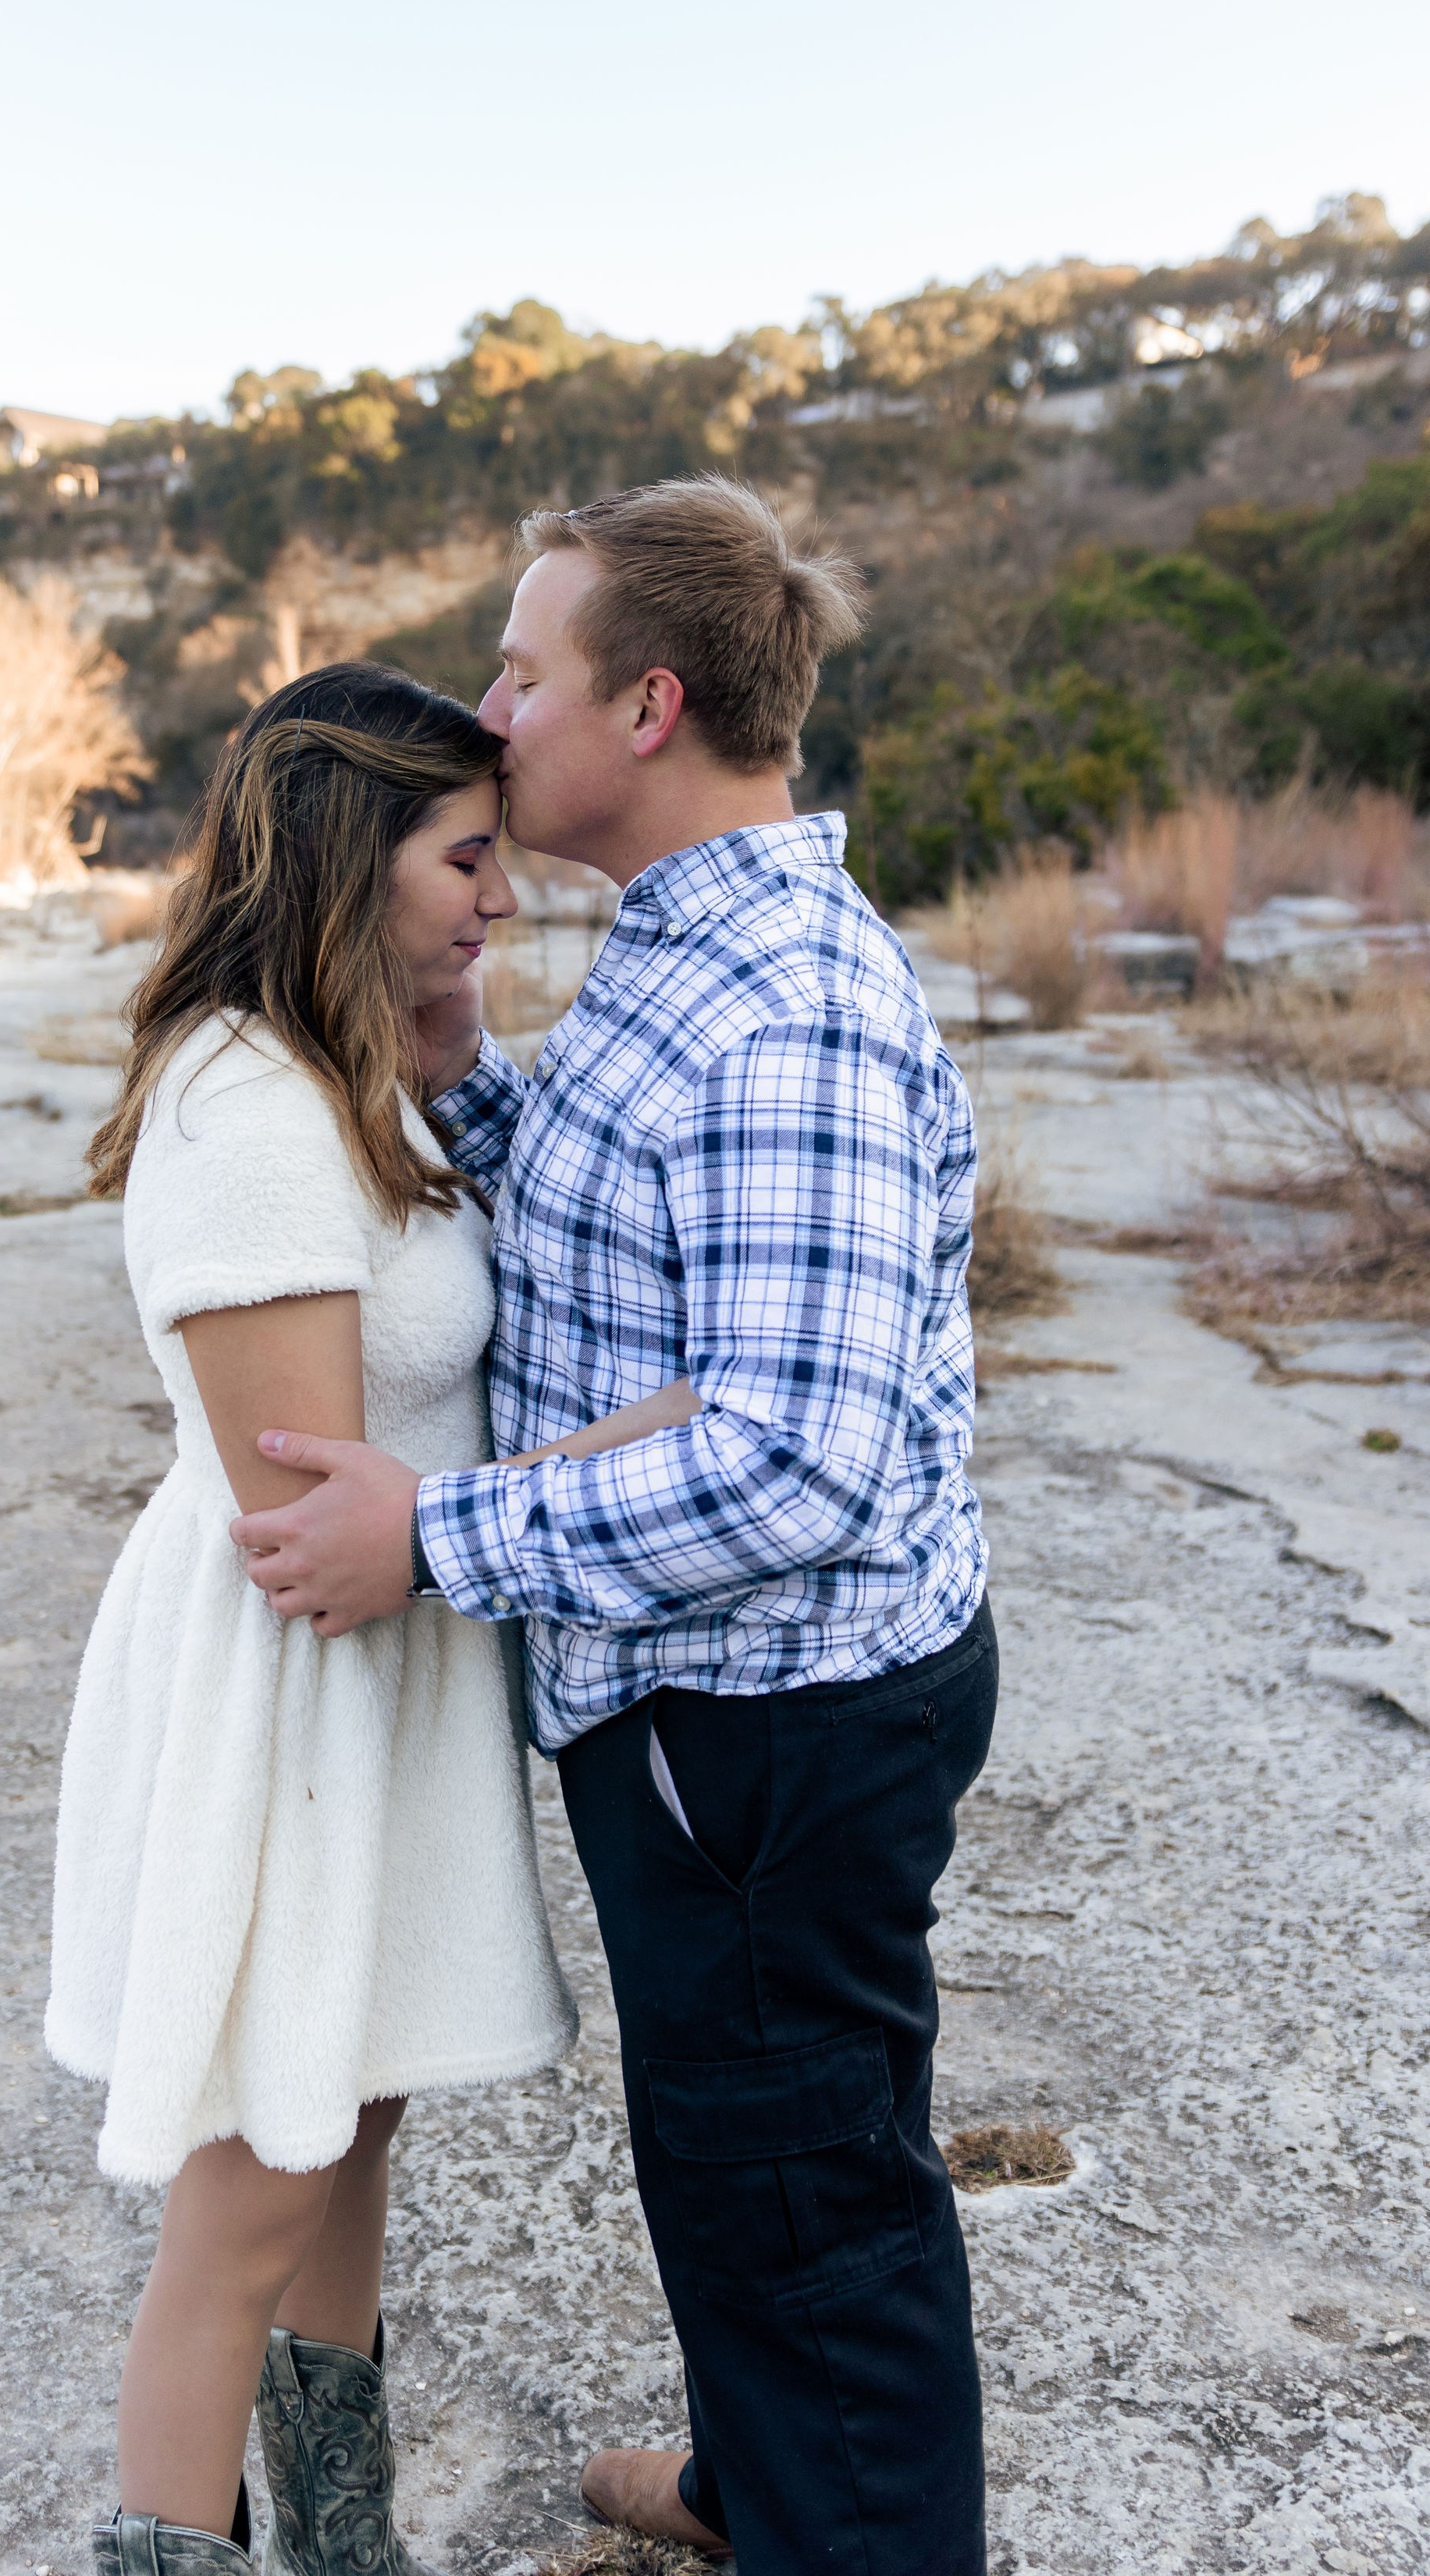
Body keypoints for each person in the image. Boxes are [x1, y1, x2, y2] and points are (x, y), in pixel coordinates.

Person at [230, 480, 998, 2576]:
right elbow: (626, 1232)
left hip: (774, 1712)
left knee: (808, 2186)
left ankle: (846, 2525)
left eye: (523, 670)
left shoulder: (787, 1016)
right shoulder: (684, 945)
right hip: (707, 1700)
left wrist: (442, 1535)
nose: (489, 711)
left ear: (647, 704)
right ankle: (772, 2476)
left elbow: (796, 1459)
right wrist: (472, 1077)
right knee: (743, 2153)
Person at [49, 665, 699, 2576]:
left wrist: (447, 1019)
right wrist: (678, 1428)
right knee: (248, 2201)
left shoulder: (348, 1074)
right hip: (287, 1701)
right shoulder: (248, 1104)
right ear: (352, 851)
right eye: (466, 858)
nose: (500, 894)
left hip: (379, 1694)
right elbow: (316, 1505)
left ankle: (340, 2548)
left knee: (350, 2136)